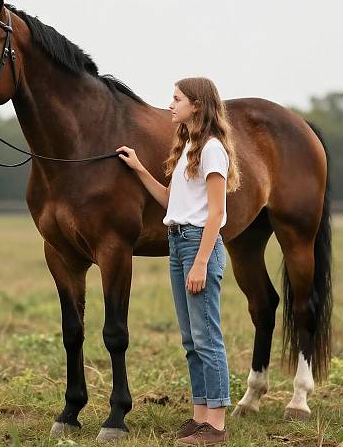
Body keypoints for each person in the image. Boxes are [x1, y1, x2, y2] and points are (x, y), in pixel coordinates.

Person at [116, 77, 240, 445]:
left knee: (207, 338)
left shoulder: (214, 149)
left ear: (197, 105)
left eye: (177, 99)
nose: (170, 105)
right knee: (191, 339)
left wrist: (201, 262)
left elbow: (216, 213)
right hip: (178, 243)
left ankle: (215, 426)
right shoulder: (188, 147)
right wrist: (139, 169)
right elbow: (172, 201)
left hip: (198, 246)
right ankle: (199, 417)